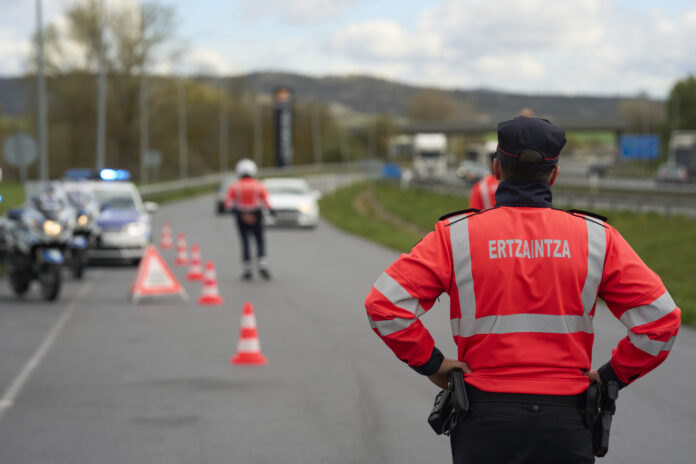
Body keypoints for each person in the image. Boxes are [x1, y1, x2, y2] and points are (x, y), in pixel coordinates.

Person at [364, 116, 681, 463]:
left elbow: (384, 305)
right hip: (567, 421)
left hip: (484, 420)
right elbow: (661, 320)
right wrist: (610, 376)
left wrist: (433, 364)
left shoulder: (456, 235)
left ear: (496, 169)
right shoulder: (597, 238)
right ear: (554, 175)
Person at [225, 159, 274, 280]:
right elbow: (266, 201)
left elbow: (228, 204)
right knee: (260, 240)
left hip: (241, 216)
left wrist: (240, 213)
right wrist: (271, 211)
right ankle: (262, 263)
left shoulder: (234, 186)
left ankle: (247, 268)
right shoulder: (258, 185)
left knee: (245, 241)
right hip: (256, 215)